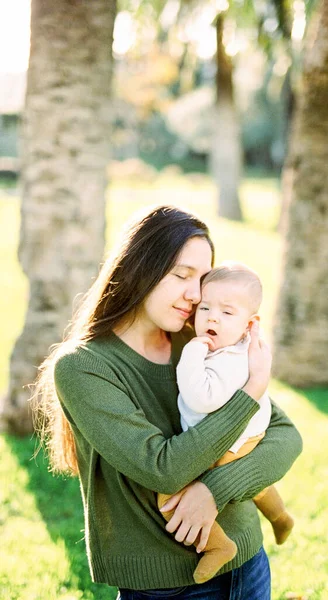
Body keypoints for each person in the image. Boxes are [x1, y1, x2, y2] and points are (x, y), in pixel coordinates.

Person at [33, 205, 303, 600]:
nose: (196, 296)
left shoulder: (199, 339)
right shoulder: (84, 368)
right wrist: (253, 387)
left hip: (248, 562)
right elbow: (164, 470)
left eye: (203, 279)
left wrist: (214, 490)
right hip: (167, 586)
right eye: (182, 275)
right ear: (140, 267)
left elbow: (284, 436)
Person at [158, 264, 294, 585]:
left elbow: (201, 398)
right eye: (205, 307)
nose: (212, 318)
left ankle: (219, 546)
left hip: (230, 442)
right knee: (257, 486)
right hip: (246, 437)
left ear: (250, 324)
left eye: (227, 312)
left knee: (167, 496)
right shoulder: (240, 350)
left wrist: (192, 352)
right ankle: (281, 517)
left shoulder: (229, 362)